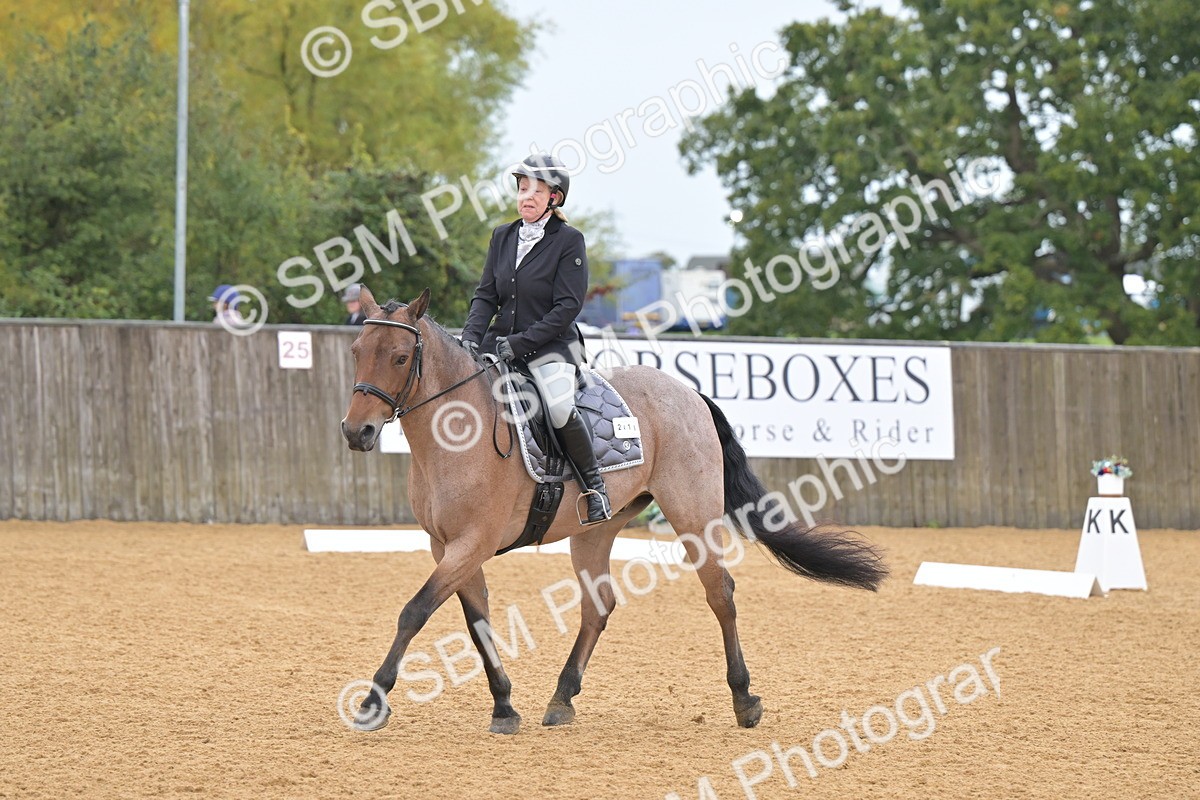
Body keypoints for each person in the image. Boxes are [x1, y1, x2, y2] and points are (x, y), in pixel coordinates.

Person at [460, 154, 611, 525]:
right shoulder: (502, 236)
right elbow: (486, 295)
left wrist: (521, 343)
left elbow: (567, 307)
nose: (526, 197)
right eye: (522, 189)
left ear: (553, 198)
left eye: (536, 192)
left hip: (551, 348)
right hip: (498, 344)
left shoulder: (569, 241)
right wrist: (470, 337)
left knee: (558, 407)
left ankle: (594, 488)